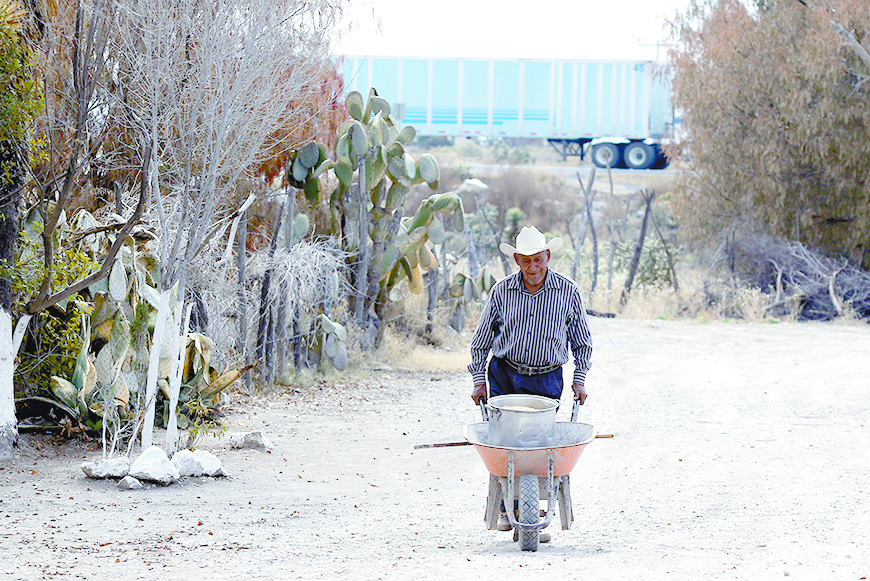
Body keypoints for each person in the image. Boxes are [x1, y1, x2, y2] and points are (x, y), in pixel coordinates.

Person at [468, 225, 593, 406]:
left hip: (548, 380)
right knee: (504, 432)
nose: (533, 267)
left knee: (538, 432)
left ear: (548, 256)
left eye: (538, 260)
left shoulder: (568, 291)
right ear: (517, 260)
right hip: (505, 375)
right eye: (526, 261)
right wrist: (479, 381)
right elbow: (481, 340)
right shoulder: (501, 291)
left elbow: (582, 341)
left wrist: (579, 380)